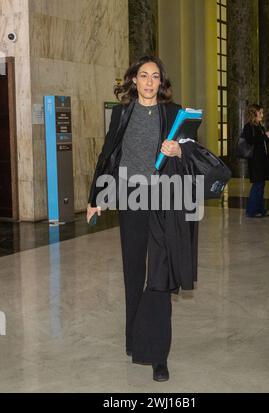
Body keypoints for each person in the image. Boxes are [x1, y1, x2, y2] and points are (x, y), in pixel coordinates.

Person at [86, 56, 191, 382]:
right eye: (143, 75)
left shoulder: (174, 114)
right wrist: (98, 197)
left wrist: (179, 152)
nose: (148, 81)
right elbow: (110, 156)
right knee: (133, 272)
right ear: (133, 80)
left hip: (163, 200)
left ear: (162, 82)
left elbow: (194, 153)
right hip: (131, 199)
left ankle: (158, 354)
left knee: (158, 276)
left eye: (155, 76)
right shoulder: (122, 113)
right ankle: (134, 339)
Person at [242, 104, 269, 218]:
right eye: (260, 112)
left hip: (262, 160)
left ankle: (260, 209)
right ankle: (251, 211)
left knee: (261, 185)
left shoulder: (260, 126)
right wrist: (264, 136)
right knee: (257, 185)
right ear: (254, 113)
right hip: (255, 161)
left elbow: (261, 141)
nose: (262, 115)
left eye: (262, 112)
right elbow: (250, 140)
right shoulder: (248, 126)